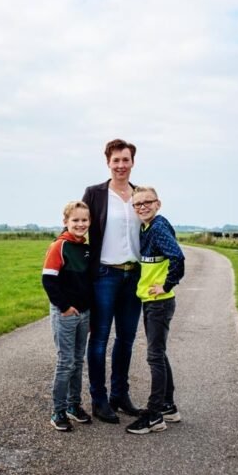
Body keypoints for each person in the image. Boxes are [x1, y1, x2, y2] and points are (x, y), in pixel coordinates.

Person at [82, 138, 143, 424]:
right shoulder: (95, 194)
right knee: (100, 339)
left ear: (133, 162)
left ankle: (120, 395)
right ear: (108, 163)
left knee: (127, 339)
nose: (121, 165)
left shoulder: (141, 194)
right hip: (105, 275)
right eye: (116, 160)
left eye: (126, 160)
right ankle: (99, 399)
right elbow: (78, 227)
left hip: (134, 276)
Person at [125, 186, 185, 434]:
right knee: (159, 354)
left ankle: (154, 416)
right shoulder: (146, 227)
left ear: (158, 204)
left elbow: (178, 257)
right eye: (137, 204)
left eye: (147, 202)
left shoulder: (158, 227)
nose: (142, 207)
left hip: (159, 303)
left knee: (154, 357)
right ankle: (169, 406)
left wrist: (167, 284)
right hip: (152, 302)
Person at [41, 201, 94, 432]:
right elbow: (48, 280)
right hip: (65, 313)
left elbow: (88, 284)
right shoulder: (59, 247)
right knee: (66, 362)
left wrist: (89, 313)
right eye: (75, 220)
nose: (80, 224)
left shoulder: (86, 248)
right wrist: (64, 307)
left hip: (84, 314)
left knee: (78, 361)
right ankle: (58, 411)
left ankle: (74, 405)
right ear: (66, 222)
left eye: (84, 220)